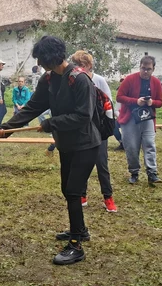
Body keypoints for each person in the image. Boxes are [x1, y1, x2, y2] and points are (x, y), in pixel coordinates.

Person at [0, 36, 101, 265]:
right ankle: (79, 230)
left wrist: (52, 123)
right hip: (67, 144)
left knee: (73, 191)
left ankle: (76, 247)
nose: (40, 64)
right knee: (67, 189)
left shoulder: (79, 79)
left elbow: (84, 117)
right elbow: (34, 106)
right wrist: (8, 127)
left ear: (52, 57)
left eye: (42, 59)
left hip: (86, 144)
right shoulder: (49, 79)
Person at [67, 50, 117, 212]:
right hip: (81, 132)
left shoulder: (99, 80)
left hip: (99, 131)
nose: (79, 68)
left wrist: (106, 129)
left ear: (89, 65)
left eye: (82, 65)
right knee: (81, 164)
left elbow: (108, 104)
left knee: (102, 165)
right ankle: (82, 194)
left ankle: (108, 198)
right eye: (76, 65)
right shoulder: (73, 81)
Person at [116, 56, 162, 186]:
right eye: (143, 68)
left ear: (153, 69)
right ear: (140, 67)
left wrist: (151, 102)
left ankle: (152, 173)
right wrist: (135, 101)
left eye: (149, 69)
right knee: (131, 146)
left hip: (147, 117)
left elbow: (160, 102)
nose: (146, 71)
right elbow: (119, 97)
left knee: (149, 143)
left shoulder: (156, 82)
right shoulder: (129, 79)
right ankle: (134, 172)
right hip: (130, 117)